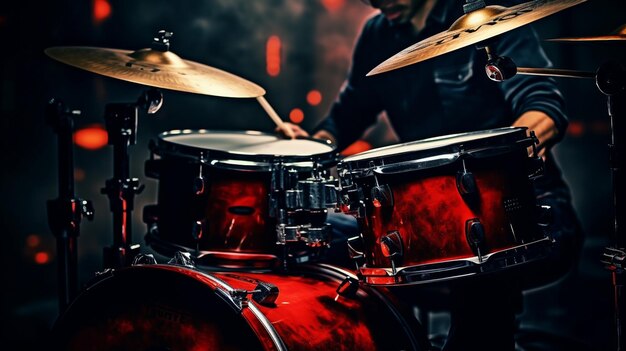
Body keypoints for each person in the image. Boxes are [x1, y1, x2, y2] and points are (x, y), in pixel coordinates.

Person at [279, 0, 584, 350]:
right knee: (313, 238)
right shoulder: (377, 34)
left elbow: (542, 106)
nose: (374, 2)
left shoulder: (485, 19)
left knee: (481, 257)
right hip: (418, 220)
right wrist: (312, 144)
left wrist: (505, 161)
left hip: (524, 208)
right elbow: (346, 117)